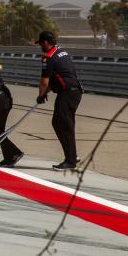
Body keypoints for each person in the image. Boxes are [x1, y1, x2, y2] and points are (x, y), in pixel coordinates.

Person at [36, 31, 83, 169]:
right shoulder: (62, 52)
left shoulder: (48, 58)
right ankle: (72, 155)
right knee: (62, 124)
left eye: (40, 43)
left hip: (67, 94)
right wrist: (46, 93)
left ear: (45, 42)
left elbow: (44, 81)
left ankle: (71, 160)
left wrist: (40, 95)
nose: (40, 47)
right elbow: (58, 79)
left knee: (62, 125)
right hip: (75, 92)